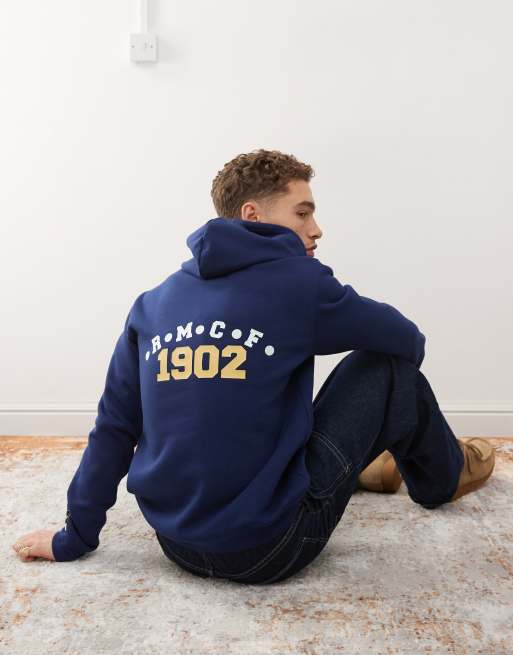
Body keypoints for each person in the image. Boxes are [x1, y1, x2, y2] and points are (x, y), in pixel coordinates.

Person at [12, 149, 495, 582]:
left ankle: (366, 465)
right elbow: (407, 342)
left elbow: (114, 427)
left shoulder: (153, 303)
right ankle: (442, 476)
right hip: (273, 548)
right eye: (302, 212)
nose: (316, 228)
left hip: (176, 544)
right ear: (253, 214)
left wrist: (74, 536)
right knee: (387, 369)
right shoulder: (299, 283)